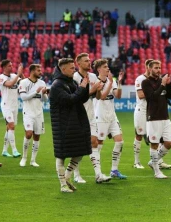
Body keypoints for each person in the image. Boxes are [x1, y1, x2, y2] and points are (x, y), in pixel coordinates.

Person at [49, 58, 92, 193]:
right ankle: (63, 185)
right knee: (61, 155)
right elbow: (70, 100)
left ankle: (67, 176)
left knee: (80, 151)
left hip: (74, 122)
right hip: (62, 124)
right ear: (63, 69)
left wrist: (86, 86)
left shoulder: (70, 82)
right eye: (72, 68)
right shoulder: (56, 85)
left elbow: (81, 98)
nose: (74, 70)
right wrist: (82, 87)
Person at [72, 53, 111, 184]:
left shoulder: (93, 76)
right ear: (78, 63)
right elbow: (76, 97)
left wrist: (98, 90)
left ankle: (98, 174)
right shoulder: (75, 78)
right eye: (86, 61)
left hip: (91, 115)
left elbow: (98, 97)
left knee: (94, 142)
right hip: (78, 115)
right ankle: (76, 175)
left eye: (89, 60)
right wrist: (92, 89)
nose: (89, 63)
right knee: (79, 146)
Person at [93, 59, 127, 179]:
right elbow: (102, 97)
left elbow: (118, 96)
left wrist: (119, 82)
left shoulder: (110, 81)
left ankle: (114, 170)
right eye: (105, 67)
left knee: (120, 141)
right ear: (99, 69)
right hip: (100, 116)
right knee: (99, 145)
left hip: (112, 116)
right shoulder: (95, 81)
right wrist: (110, 83)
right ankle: (98, 172)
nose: (108, 68)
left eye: (108, 67)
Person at [142, 60, 171, 179]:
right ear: (150, 69)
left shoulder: (162, 81)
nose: (158, 70)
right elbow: (152, 97)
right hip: (153, 117)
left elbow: (170, 96)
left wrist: (168, 84)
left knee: (169, 143)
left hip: (165, 117)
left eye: (159, 67)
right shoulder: (145, 82)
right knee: (154, 144)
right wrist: (163, 85)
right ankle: (157, 171)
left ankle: (153, 161)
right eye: (156, 68)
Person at [19, 64, 48, 167]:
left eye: (40, 69)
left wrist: (44, 93)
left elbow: (45, 100)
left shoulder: (42, 82)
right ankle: (24, 158)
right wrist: (36, 91)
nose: (40, 72)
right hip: (28, 113)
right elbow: (23, 97)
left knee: (37, 136)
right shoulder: (24, 82)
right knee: (28, 134)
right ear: (32, 71)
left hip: (39, 113)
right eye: (38, 70)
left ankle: (33, 160)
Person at [0, 60, 24, 158]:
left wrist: (21, 74)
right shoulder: (1, 77)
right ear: (4, 67)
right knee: (11, 126)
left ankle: (4, 150)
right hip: (6, 105)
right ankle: (14, 150)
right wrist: (18, 74)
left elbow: (24, 82)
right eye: (9, 66)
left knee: (10, 128)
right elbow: (9, 84)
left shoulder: (14, 76)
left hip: (15, 105)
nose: (11, 67)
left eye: (12, 65)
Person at [133, 59, 153, 169]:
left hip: (152, 111)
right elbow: (140, 95)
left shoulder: (155, 80)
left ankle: (157, 161)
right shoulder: (140, 79)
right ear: (147, 67)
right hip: (142, 111)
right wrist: (155, 93)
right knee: (139, 135)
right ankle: (136, 162)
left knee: (156, 136)